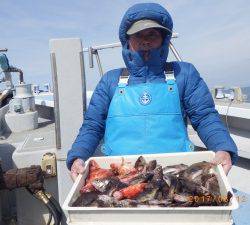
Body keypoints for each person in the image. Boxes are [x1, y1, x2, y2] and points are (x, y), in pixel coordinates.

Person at [66, 3, 238, 180]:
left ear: (164, 39)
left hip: (174, 173)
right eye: (137, 35)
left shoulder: (184, 74)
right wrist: (78, 156)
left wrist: (223, 148)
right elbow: (93, 125)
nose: (145, 40)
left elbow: (205, 117)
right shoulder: (110, 80)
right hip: (119, 174)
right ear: (127, 41)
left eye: (152, 34)